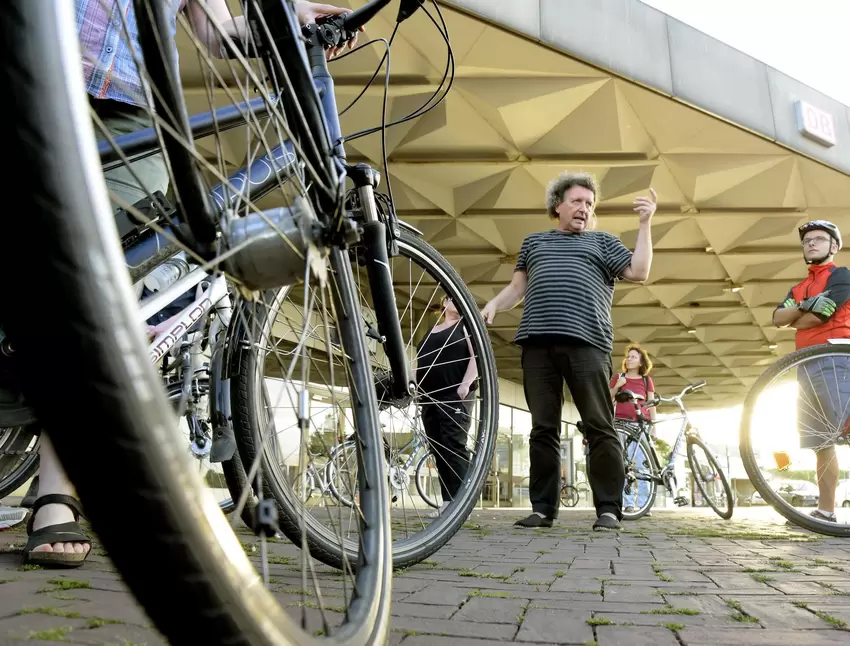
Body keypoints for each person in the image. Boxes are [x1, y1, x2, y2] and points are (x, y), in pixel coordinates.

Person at [23, 0, 358, 569]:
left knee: (109, 290)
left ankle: (56, 482)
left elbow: (217, 33)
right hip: (34, 81)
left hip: (133, 115)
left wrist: (287, 20)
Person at [481, 172, 656, 531]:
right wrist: (495, 306)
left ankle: (608, 508)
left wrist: (645, 223)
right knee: (541, 427)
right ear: (557, 205)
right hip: (537, 343)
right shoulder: (534, 243)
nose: (584, 208)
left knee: (599, 425)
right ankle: (543, 508)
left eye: (589, 204)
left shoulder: (603, 243)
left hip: (588, 344)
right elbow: (518, 288)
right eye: (576, 201)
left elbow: (639, 271)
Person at [773, 220, 850, 524]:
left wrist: (800, 314)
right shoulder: (798, 287)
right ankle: (826, 511)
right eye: (807, 241)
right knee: (820, 440)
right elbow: (778, 318)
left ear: (834, 246)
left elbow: (821, 314)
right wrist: (805, 307)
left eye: (819, 239)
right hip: (804, 363)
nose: (812, 244)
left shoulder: (842, 275)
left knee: (844, 427)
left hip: (836, 358)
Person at [415, 295, 477, 518]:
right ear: (444, 302)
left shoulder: (468, 327)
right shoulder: (432, 330)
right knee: (438, 446)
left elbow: (477, 357)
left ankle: (462, 504)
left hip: (455, 394)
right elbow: (421, 360)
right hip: (429, 396)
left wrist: (466, 384)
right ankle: (448, 501)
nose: (457, 303)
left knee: (454, 445)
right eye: (452, 299)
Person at [610, 344, 656, 516]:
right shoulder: (619, 377)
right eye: (628, 356)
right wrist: (618, 386)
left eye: (634, 357)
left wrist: (654, 427)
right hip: (621, 426)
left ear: (641, 361)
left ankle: (645, 505)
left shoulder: (646, 380)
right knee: (624, 466)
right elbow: (608, 397)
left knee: (643, 467)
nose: (629, 359)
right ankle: (628, 504)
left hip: (640, 426)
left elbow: (651, 405)